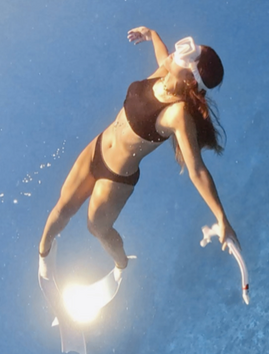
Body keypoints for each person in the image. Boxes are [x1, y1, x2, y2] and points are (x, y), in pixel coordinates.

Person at [38, 27, 237, 271]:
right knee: (63, 207)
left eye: (189, 55)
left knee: (96, 228)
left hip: (116, 178)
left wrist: (221, 218)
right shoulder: (165, 72)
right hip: (97, 148)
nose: (179, 52)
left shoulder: (177, 114)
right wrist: (151, 34)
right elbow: (163, 54)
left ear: (190, 78)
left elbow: (197, 170)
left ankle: (121, 264)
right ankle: (44, 256)